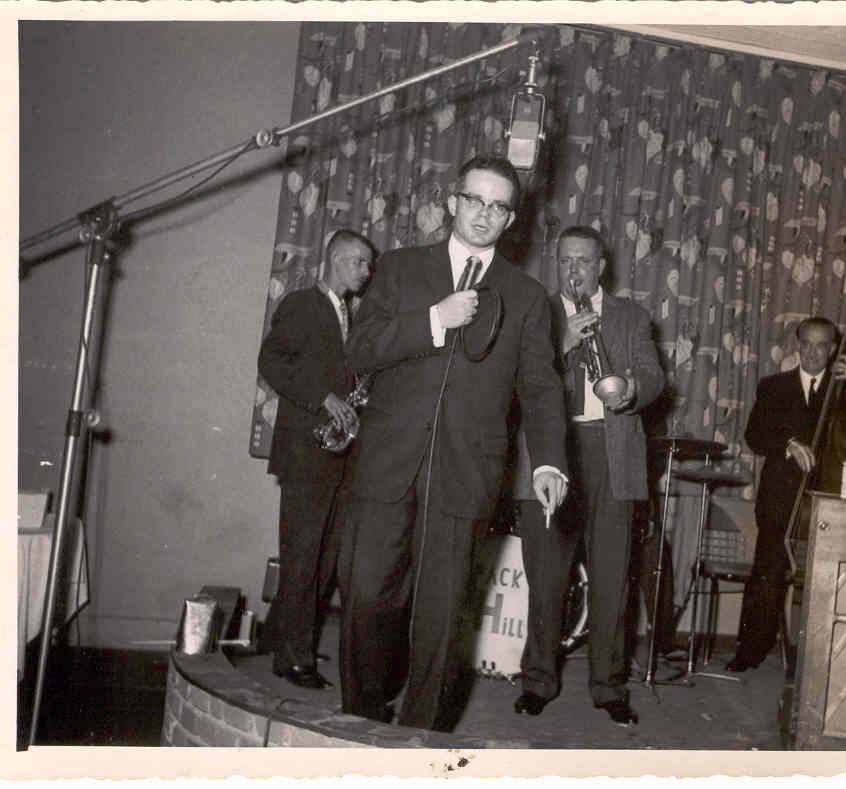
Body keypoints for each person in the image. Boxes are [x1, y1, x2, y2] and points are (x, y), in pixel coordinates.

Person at [338, 154, 569, 730]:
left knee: (442, 618)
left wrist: (549, 464)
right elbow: (360, 350)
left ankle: (422, 742)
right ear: (452, 202)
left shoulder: (526, 296)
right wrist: (434, 320)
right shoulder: (400, 268)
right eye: (474, 200)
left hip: (466, 472)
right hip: (388, 463)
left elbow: (541, 388)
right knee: (365, 599)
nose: (484, 214)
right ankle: (360, 728)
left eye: (498, 206)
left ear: (511, 219)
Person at [513, 225, 664, 727]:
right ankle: (537, 681)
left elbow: (653, 375)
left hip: (612, 453)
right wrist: (561, 342)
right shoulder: (536, 312)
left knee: (612, 580)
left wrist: (631, 390)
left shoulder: (631, 316)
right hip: (551, 453)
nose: (573, 270)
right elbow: (515, 380)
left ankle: (609, 686)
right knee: (546, 578)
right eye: (565, 260)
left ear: (601, 266)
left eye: (583, 260)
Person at [728, 316, 846, 672]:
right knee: (768, 570)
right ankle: (750, 651)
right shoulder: (773, 386)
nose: (813, 352)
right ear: (797, 345)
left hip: (828, 495)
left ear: (832, 350)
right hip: (780, 496)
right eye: (807, 344)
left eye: (821, 346)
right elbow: (755, 435)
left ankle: (817, 661)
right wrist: (787, 443)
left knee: (824, 577)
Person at [257, 229, 376, 689]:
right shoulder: (302, 304)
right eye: (360, 262)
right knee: (303, 556)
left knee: (322, 559)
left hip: (336, 454)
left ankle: (287, 639)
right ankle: (292, 658)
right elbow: (271, 362)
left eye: (367, 263)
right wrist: (324, 397)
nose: (366, 271)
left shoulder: (349, 313)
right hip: (306, 451)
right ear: (337, 259)